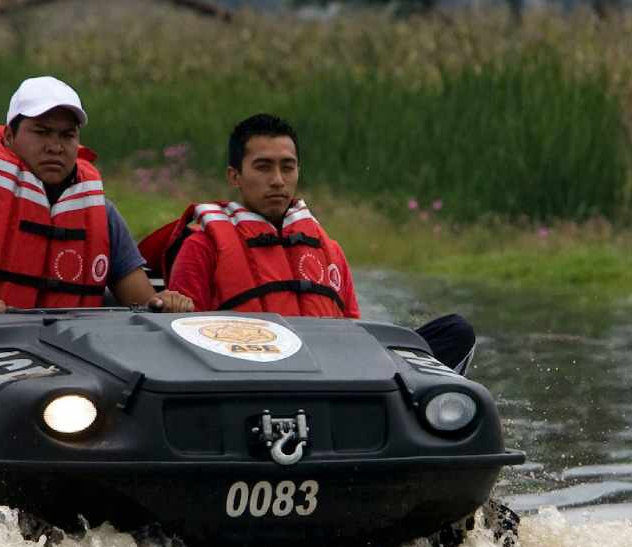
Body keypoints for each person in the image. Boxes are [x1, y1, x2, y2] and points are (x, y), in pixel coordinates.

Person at [0, 76, 193, 389]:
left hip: (74, 367)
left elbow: (145, 306)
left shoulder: (102, 214)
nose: (55, 146)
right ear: (9, 136)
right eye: (41, 132)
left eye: (67, 135)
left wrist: (168, 306)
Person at [139, 113, 475, 374]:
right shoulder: (202, 245)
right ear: (234, 177)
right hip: (245, 378)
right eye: (263, 167)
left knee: (456, 332)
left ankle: (438, 419)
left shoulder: (328, 249)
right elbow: (181, 343)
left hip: (333, 374)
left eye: (288, 167)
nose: (277, 180)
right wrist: (172, 307)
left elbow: (353, 328)